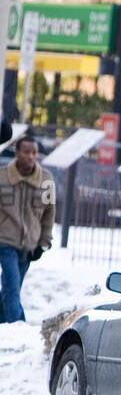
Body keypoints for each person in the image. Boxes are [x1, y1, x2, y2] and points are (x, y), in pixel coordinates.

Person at [0, 135, 56, 323]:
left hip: (30, 245)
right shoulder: (2, 177)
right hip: (5, 243)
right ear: (17, 153)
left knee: (10, 291)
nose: (30, 156)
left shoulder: (46, 180)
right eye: (26, 152)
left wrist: (44, 243)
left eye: (34, 153)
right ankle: (19, 329)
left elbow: (49, 214)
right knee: (12, 287)